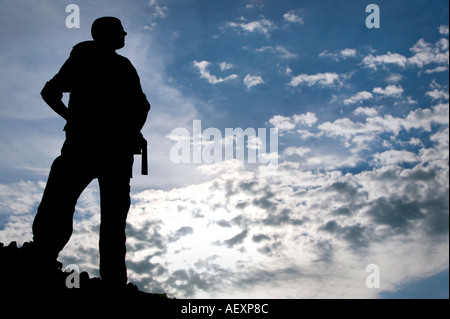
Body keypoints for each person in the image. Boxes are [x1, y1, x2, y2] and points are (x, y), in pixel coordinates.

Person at [32, 17, 150, 288]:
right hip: (97, 148)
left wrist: (72, 119)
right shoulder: (87, 54)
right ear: (107, 34)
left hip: (104, 149)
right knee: (78, 210)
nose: (125, 33)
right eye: (120, 30)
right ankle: (46, 261)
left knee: (85, 212)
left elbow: (142, 105)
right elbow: (51, 92)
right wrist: (72, 118)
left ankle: (45, 259)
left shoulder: (122, 65)